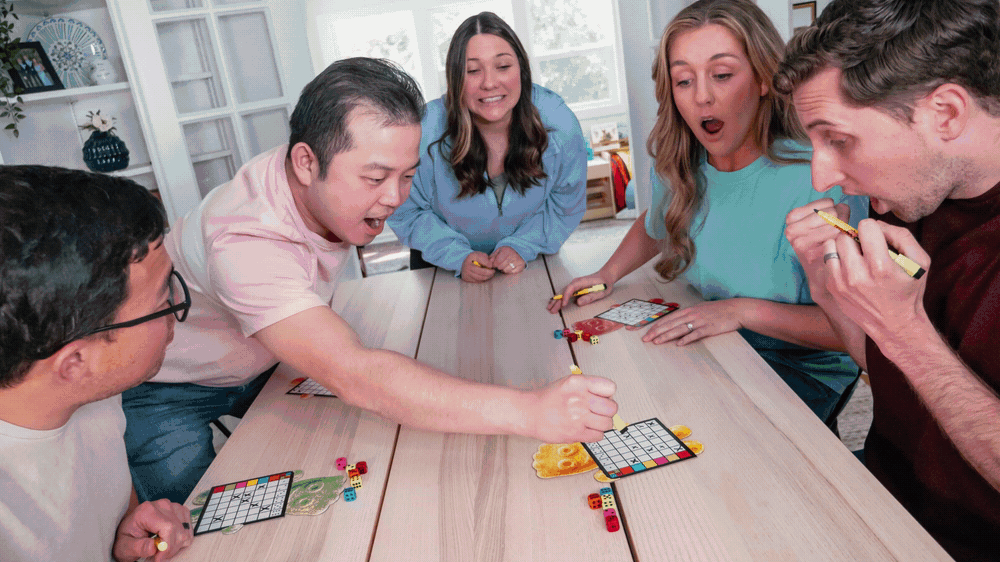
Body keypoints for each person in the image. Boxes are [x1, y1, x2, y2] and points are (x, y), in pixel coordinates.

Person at [122, 57, 618, 505]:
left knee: (328, 469)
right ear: (305, 162)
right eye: (375, 178)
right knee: (195, 522)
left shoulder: (322, 177)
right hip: (170, 385)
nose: (395, 198)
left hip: (265, 358)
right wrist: (530, 411)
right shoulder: (242, 240)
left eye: (407, 176)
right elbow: (358, 375)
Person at [549, 0, 868, 428]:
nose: (702, 96)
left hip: (802, 365)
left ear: (763, 79)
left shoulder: (821, 176)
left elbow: (857, 333)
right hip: (718, 338)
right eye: (684, 80)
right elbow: (656, 224)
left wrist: (740, 311)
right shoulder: (680, 161)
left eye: (722, 75)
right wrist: (607, 272)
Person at [776, 0, 1000, 559]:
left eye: (838, 139)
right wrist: (827, 287)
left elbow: (910, 351)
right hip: (880, 504)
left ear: (945, 113)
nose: (821, 176)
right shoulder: (915, 197)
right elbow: (896, 377)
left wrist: (906, 332)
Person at [0, 167, 193, 562]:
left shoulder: (97, 392)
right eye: (162, 301)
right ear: (75, 362)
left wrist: (121, 542)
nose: (175, 310)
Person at [387, 12, 588, 282]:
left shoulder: (559, 124)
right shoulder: (424, 130)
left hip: (530, 256)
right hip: (439, 262)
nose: (490, 83)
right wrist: (456, 256)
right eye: (472, 70)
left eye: (503, 66)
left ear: (522, 70)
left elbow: (566, 204)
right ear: (455, 79)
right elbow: (405, 209)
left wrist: (523, 245)